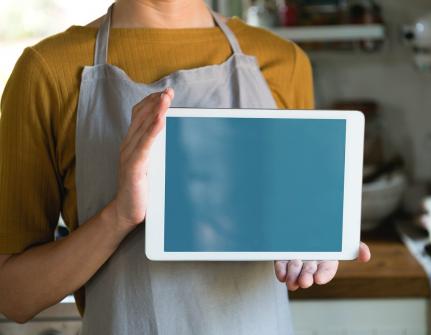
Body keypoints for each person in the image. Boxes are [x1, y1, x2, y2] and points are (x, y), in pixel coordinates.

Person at [0, 0, 371, 334]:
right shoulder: (48, 72)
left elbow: (296, 233)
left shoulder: (284, 62)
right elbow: (13, 297)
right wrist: (119, 218)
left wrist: (315, 248)